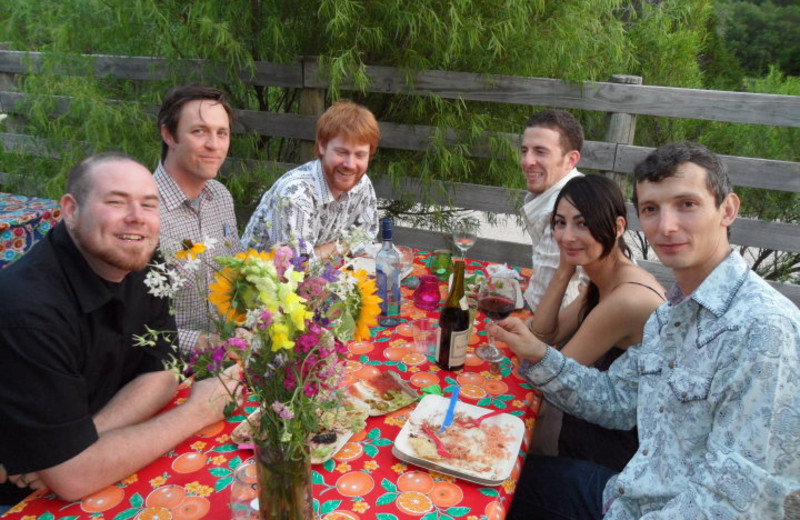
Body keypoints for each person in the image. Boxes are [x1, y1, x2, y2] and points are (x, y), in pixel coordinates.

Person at [492, 142, 800, 519]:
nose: (666, 226)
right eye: (652, 209)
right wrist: (540, 357)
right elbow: (618, 402)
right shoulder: (668, 316)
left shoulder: (763, 329)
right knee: (490, 472)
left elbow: (736, 500)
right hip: (625, 495)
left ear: (727, 210)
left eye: (686, 204)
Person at [0, 153, 240, 509]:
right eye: (116, 202)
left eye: (149, 204)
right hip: (29, 497)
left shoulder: (142, 258)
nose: (137, 218)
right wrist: (200, 410)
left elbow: (165, 369)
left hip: (86, 458)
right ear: (70, 209)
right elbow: (73, 478)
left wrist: (77, 444)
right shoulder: (29, 309)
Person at [529, 174, 665, 471]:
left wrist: (530, 346)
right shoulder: (603, 278)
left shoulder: (627, 298)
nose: (566, 236)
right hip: (588, 437)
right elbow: (544, 334)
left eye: (582, 223)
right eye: (560, 223)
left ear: (617, 227)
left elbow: (551, 372)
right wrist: (564, 270)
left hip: (610, 461)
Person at [154, 84, 244, 354]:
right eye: (199, 131)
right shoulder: (142, 212)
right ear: (169, 135)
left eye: (222, 133)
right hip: (167, 369)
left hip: (228, 358)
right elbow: (129, 327)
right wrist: (203, 343)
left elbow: (234, 279)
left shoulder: (220, 196)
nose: (213, 145)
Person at [241, 100, 380, 259]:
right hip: (257, 280)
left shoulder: (361, 183)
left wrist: (326, 251)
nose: (350, 164)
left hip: (325, 277)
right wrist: (344, 246)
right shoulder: (295, 195)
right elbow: (296, 266)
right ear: (322, 146)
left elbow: (367, 234)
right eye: (342, 152)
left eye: (360, 155)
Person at [519, 109, 586, 312]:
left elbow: (540, 300)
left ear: (571, 160)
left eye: (540, 152)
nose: (527, 161)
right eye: (524, 151)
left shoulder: (564, 207)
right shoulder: (574, 186)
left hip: (574, 327)